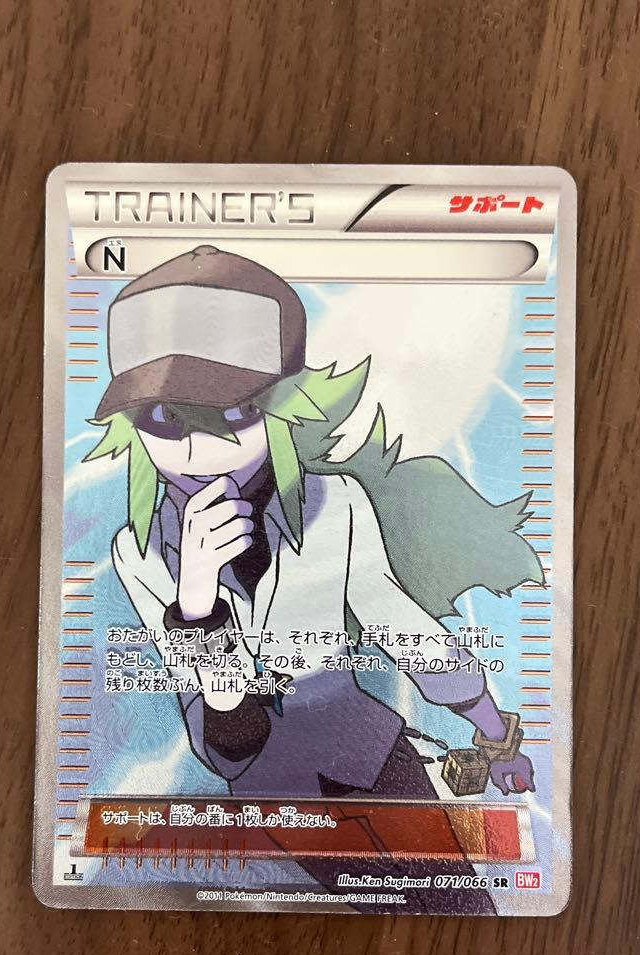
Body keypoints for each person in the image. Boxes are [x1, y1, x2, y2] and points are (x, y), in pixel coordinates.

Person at [86, 245, 543, 912]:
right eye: (166, 419)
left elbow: (402, 625)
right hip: (273, 788)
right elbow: (229, 740)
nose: (198, 447)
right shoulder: (140, 552)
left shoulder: (337, 504)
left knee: (463, 905)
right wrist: (198, 600)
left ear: (278, 406)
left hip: (370, 748)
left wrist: (494, 731)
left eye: (235, 412)